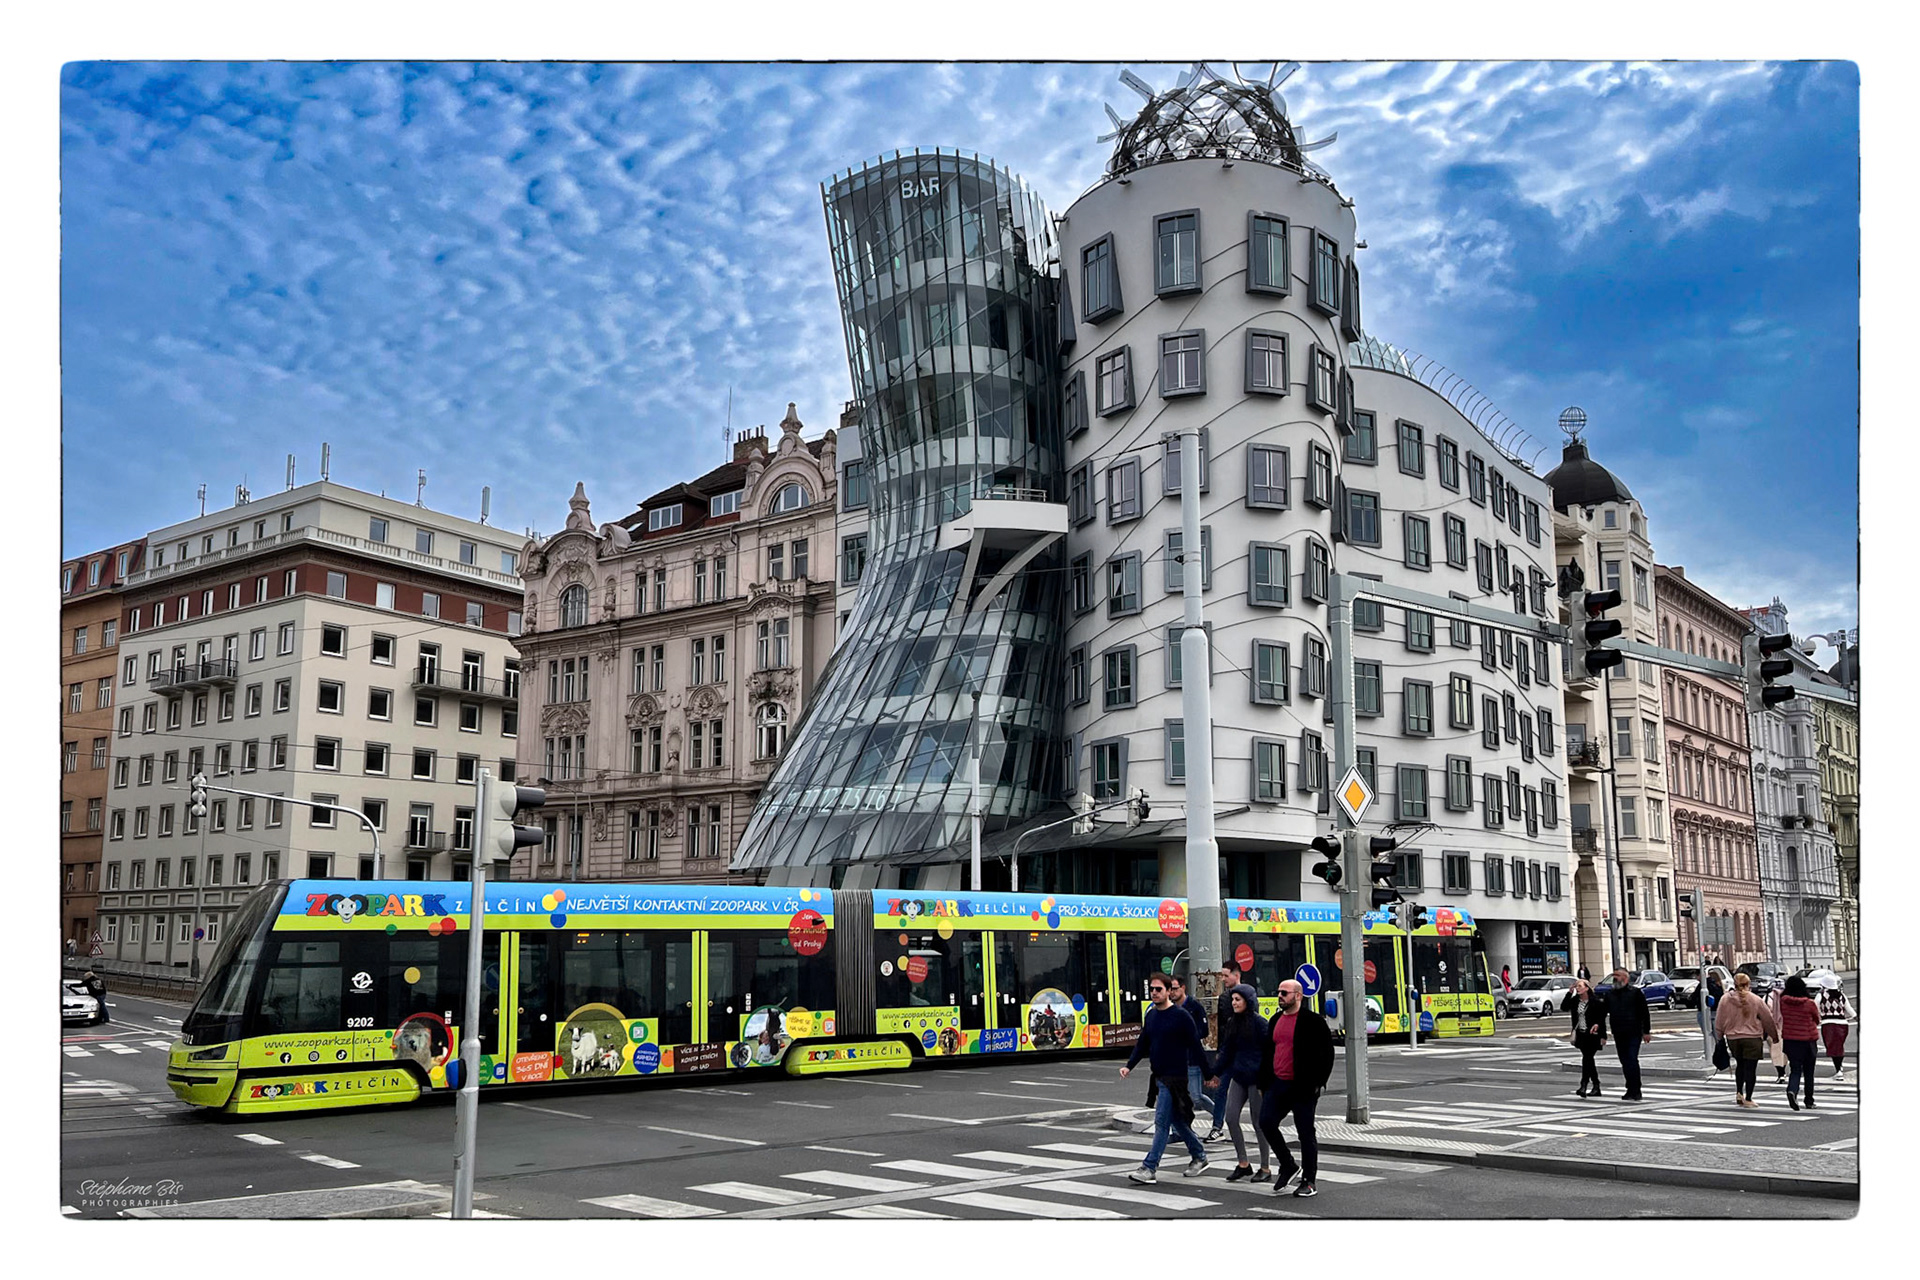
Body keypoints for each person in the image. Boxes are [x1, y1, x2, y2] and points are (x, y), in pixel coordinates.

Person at [1120, 976, 1208, 1184]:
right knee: (1176, 1120)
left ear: (1169, 991)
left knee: (1161, 1121)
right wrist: (1129, 1065)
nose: (1154, 992)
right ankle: (1199, 1155)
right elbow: (1143, 1043)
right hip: (1159, 1076)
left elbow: (1195, 1045)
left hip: (1176, 1078)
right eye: (1152, 989)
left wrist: (1209, 1073)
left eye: (1159, 989)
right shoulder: (1152, 1015)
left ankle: (1149, 1167)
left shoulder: (1181, 1016)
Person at [1255, 978, 1334, 1199]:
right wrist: (1263, 1083)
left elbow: (1327, 1054)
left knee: (1305, 1132)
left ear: (1298, 996)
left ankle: (1309, 1181)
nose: (1280, 996)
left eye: (1285, 993)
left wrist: (1317, 1083)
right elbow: (1268, 1052)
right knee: (1266, 1122)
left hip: (1303, 1086)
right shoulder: (1275, 1020)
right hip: (1277, 1084)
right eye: (1279, 992)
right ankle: (1288, 1164)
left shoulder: (1313, 1021)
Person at [1206, 984, 1271, 1182]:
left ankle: (1265, 1168)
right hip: (1239, 1076)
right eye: (1233, 999)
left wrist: (1266, 1080)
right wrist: (1214, 1074)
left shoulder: (1260, 1023)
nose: (1234, 1003)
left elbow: (1270, 1052)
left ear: (1248, 1001)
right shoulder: (1232, 1022)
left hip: (1257, 1079)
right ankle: (1243, 1164)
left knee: (1258, 1123)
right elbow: (1227, 1051)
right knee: (1231, 1117)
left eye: (1238, 999)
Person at [1714, 972, 1779, 1108]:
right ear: (1748, 984)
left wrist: (1719, 1037)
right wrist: (1774, 1036)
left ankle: (1739, 1093)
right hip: (1752, 1038)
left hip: (1733, 1038)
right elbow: (1767, 1019)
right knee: (1751, 1068)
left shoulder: (1725, 999)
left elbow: (1719, 1020)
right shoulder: (1755, 999)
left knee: (1740, 1065)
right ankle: (1748, 1098)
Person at [1202, 962, 1249, 1142]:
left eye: (1226, 975)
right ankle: (1217, 1127)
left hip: (1244, 1053)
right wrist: (1220, 1050)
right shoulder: (1223, 998)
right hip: (1228, 1052)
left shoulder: (1248, 994)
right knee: (1221, 1090)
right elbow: (1222, 1027)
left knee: (1251, 1091)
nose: (1222, 979)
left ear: (1237, 975)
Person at [1167, 973, 1216, 1138]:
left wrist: (1187, 1036)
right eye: (1170, 989)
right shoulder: (1168, 1008)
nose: (1172, 992)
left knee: (1195, 1097)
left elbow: (1204, 1030)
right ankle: (1178, 1130)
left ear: (1183, 988)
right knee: (1175, 1097)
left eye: (1175, 989)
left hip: (1192, 1058)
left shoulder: (1194, 1006)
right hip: (1174, 1060)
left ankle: (1218, 1114)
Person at [1600, 967, 1651, 1100]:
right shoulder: (1610, 994)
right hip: (1618, 1032)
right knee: (1624, 1061)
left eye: (1617, 976)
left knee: (1632, 1059)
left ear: (1625, 978)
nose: (1614, 978)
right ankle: (1630, 1088)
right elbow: (1602, 1014)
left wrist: (1646, 1031)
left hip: (1634, 1031)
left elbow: (1644, 1013)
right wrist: (1602, 1033)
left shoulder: (1635, 993)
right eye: (1614, 976)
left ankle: (1636, 1089)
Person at [1775, 975, 1822, 1111]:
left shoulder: (1783, 1002)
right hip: (1808, 1040)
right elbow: (1817, 1019)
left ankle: (1792, 1090)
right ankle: (1809, 1100)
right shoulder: (1809, 1003)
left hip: (1790, 1040)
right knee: (1809, 1072)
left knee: (1795, 1069)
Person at [1562, 978, 1608, 1097]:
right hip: (1581, 1034)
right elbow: (1564, 1007)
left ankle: (1584, 1085)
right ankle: (1596, 1085)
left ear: (1587, 988)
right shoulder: (1575, 1001)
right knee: (1588, 1059)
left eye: (1580, 986)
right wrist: (1569, 993)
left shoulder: (1595, 1002)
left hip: (1592, 1034)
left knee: (1587, 1058)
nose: (1577, 988)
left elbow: (1601, 1019)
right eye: (1576, 986)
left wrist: (1603, 1036)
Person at [1816, 974, 1856, 1080]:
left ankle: (1838, 1070)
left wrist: (1819, 1017)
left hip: (1828, 1024)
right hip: (1843, 1024)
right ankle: (1840, 1067)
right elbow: (1849, 1008)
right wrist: (1856, 1017)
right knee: (1839, 1046)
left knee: (1832, 1047)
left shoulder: (1821, 995)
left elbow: (1815, 1008)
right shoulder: (1841, 995)